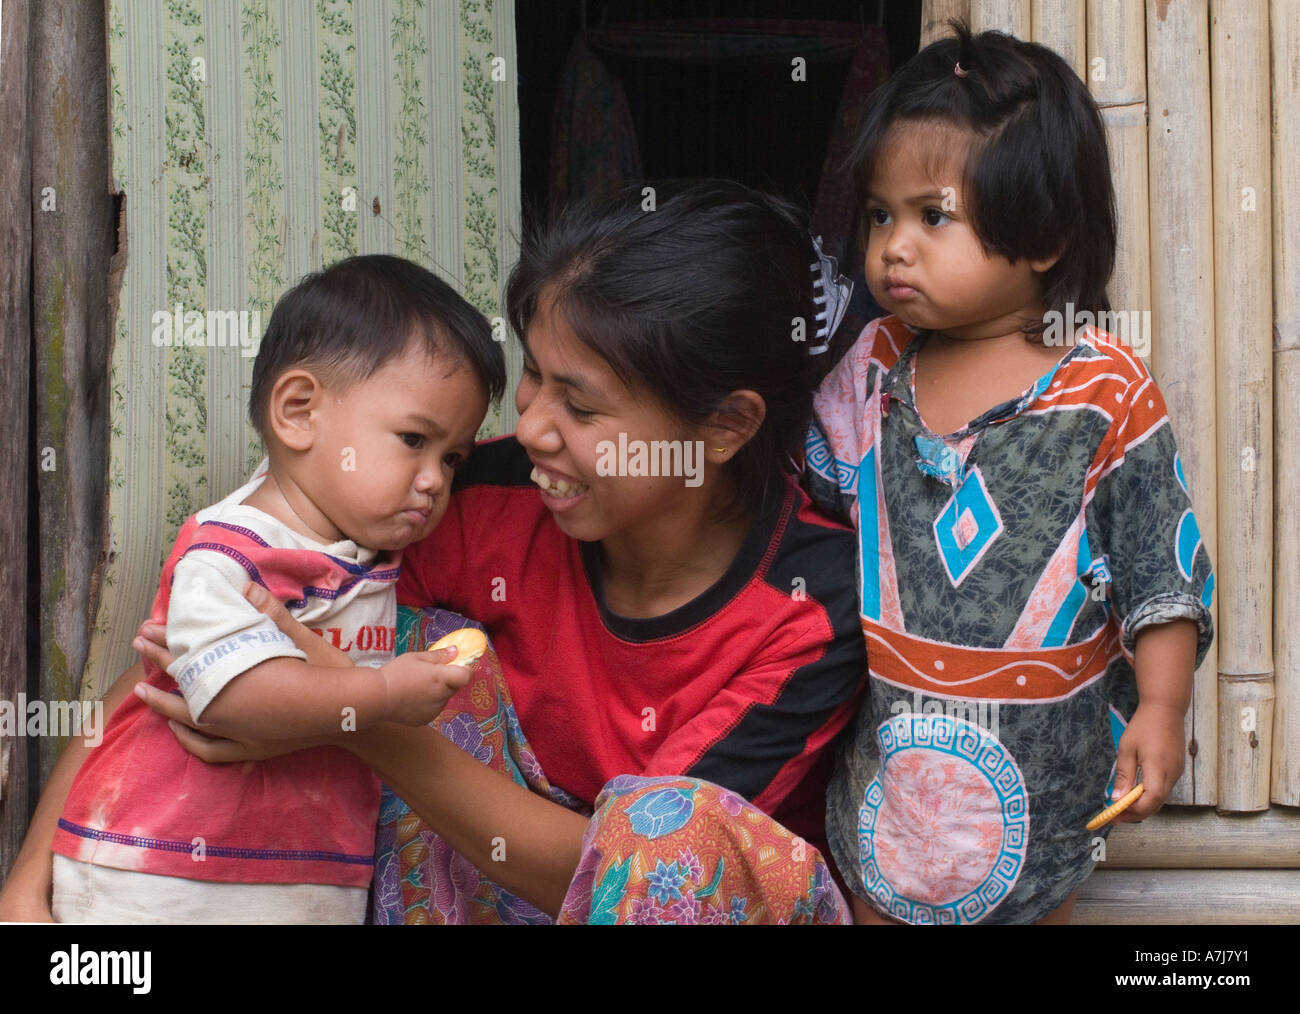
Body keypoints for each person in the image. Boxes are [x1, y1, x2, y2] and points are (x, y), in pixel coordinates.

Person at [1, 182, 867, 925]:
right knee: (391, 632)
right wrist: (28, 881)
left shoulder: (808, 604)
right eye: (534, 376)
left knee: (678, 828)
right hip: (464, 886)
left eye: (581, 404)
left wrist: (366, 718)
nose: (529, 426)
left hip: (627, 893)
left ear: (723, 426)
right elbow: (188, 643)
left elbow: (644, 876)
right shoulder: (481, 495)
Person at [804, 23, 1214, 925]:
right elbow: (806, 509)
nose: (894, 247)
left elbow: (1161, 570)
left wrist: (1161, 707)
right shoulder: (874, 368)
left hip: (1045, 787)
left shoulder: (1103, 389)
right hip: (888, 778)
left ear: (1042, 235)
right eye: (880, 215)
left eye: (932, 216)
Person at [47, 255, 504, 922]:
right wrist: (381, 694)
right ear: (297, 412)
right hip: (162, 874)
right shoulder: (229, 552)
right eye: (414, 440)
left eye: (453, 458)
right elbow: (232, 697)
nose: (436, 480)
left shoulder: (363, 552)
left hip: (298, 872)